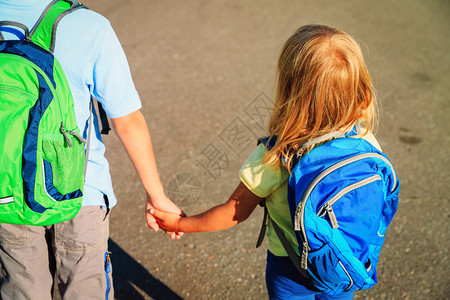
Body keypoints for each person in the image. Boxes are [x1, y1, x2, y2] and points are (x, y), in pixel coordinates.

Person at [150, 24, 382, 300]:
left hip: (291, 268)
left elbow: (232, 212)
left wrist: (178, 224)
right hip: (345, 265)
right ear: (358, 88)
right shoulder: (365, 141)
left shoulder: (277, 154)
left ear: (289, 90)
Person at [0, 1, 182, 299]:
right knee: (85, 290)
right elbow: (128, 121)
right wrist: (157, 197)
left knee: (22, 290)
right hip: (77, 191)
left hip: (6, 192)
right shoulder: (87, 26)